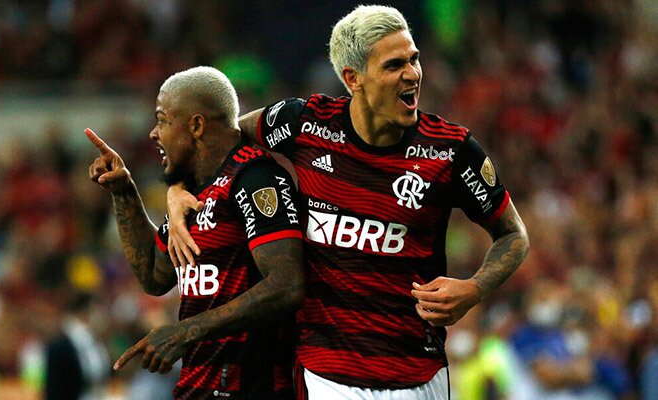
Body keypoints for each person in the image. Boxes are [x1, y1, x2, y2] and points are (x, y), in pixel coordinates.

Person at [168, 6, 529, 400]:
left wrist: (474, 288)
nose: (412, 74)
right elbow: (220, 140)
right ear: (352, 78)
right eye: (393, 66)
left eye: (414, 59)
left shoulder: (451, 150)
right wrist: (178, 187)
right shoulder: (305, 123)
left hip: (418, 374)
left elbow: (512, 234)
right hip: (326, 374)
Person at [86, 66, 305, 399]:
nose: (153, 134)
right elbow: (153, 275)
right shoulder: (193, 193)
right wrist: (124, 192)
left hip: (251, 389)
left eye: (162, 120)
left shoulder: (255, 177)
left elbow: (287, 284)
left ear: (197, 125)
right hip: (196, 388)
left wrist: (184, 332)